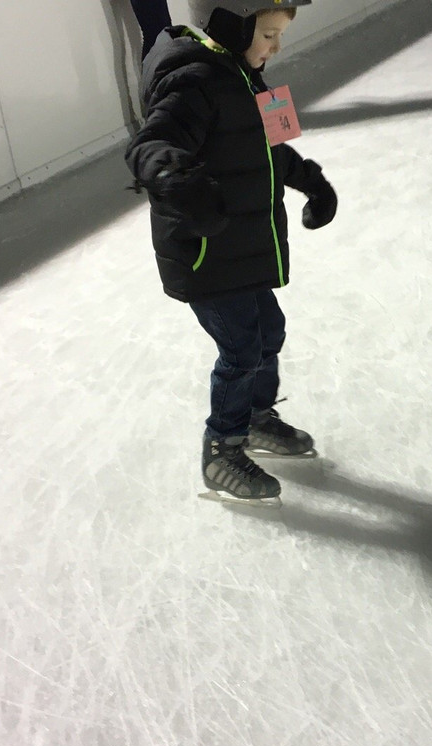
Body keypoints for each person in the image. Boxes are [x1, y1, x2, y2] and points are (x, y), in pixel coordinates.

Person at [124, 0, 338, 502]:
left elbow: (271, 147)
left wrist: (313, 181)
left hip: (246, 245)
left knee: (270, 331)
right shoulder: (193, 80)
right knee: (241, 347)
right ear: (232, 25)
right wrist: (179, 181)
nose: (275, 46)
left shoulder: (252, 79)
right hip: (207, 251)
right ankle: (222, 448)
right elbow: (149, 145)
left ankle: (258, 417)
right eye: (267, 33)